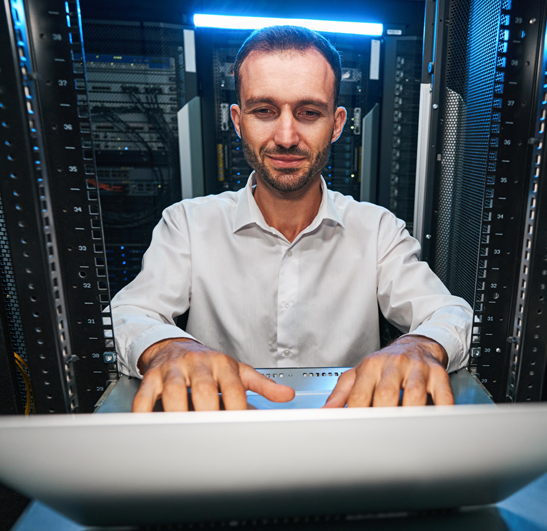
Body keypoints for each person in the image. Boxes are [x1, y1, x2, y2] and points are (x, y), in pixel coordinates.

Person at [111, 25, 473, 412]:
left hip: (343, 441)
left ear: (335, 124)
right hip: (222, 439)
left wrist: (418, 347)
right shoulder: (186, 225)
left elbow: (447, 313)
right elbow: (130, 312)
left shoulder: (378, 231)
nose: (286, 135)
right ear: (237, 120)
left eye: (308, 112)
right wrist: (170, 348)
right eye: (264, 110)